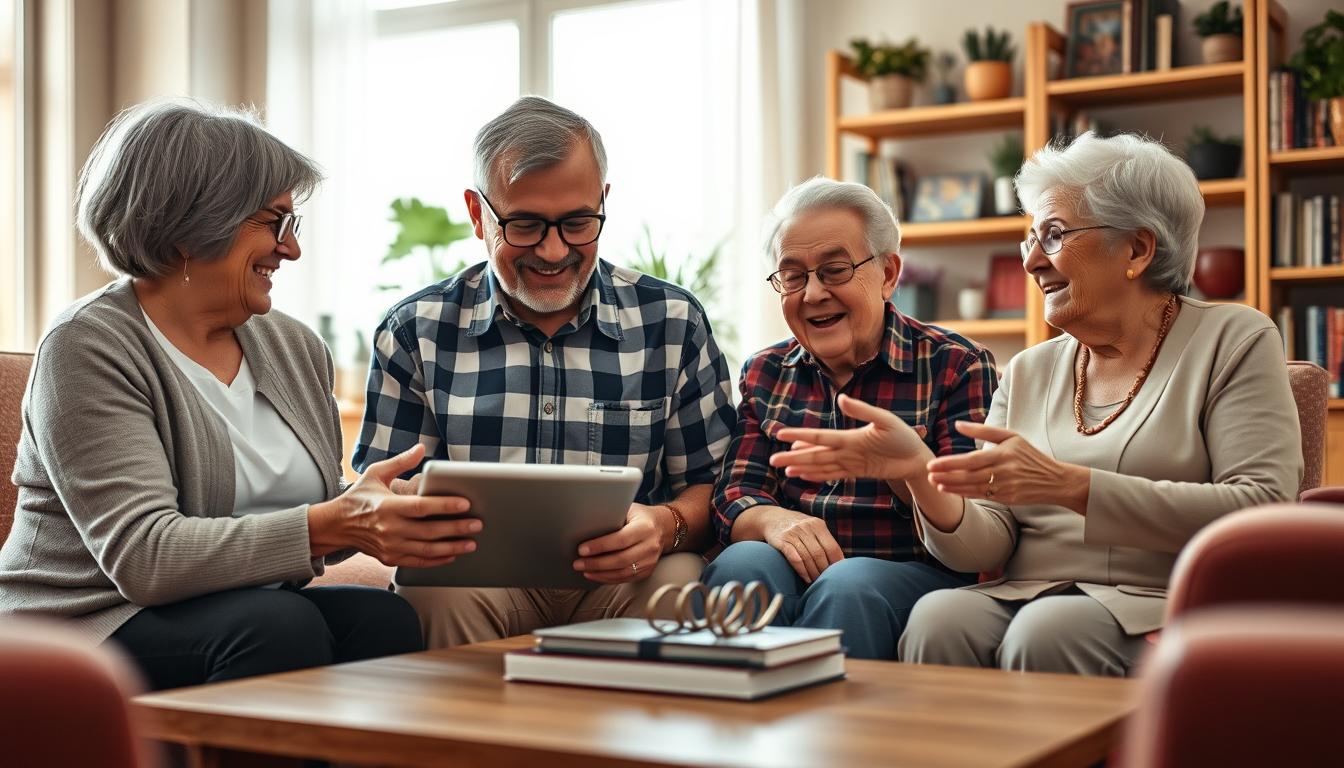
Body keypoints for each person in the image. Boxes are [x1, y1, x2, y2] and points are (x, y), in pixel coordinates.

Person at [770, 132, 1302, 676]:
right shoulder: (1029, 369)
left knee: (1050, 630)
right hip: (1028, 592)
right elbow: (986, 543)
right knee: (938, 616)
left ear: (1137, 250)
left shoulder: (1233, 339)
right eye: (1031, 237)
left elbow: (1259, 509)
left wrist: (1071, 487)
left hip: (1166, 599)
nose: (1030, 262)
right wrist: (917, 472)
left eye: (1053, 235)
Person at [0, 100, 473, 691]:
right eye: (275, 223)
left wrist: (377, 505)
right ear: (195, 225)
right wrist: (339, 523)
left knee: (384, 621)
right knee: (276, 626)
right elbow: (145, 558)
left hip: (239, 609)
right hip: (82, 621)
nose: (291, 249)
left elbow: (308, 518)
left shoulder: (295, 348)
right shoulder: (87, 346)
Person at [354, 96, 736, 648]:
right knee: (433, 590)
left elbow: (712, 484)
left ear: (604, 201)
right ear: (476, 211)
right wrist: (410, 511)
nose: (554, 251)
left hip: (626, 580)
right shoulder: (417, 329)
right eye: (525, 225)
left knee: (680, 582)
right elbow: (379, 492)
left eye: (578, 223)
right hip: (474, 581)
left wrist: (665, 526)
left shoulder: (672, 322)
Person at [701, 178, 998, 659]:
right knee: (744, 565)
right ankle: (734, 724)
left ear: (888, 274)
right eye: (792, 276)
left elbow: (978, 524)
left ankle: (833, 734)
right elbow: (735, 492)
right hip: (793, 561)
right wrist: (774, 520)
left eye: (835, 270)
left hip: (909, 571)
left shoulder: (957, 365)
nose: (813, 293)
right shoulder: (766, 372)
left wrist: (906, 468)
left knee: (848, 585)